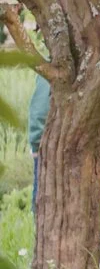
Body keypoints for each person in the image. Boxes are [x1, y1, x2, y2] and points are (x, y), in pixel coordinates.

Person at [25, 73, 48, 218]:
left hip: (47, 149)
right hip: (48, 147)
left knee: (43, 206)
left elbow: (39, 110)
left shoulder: (55, 63)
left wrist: (36, 143)